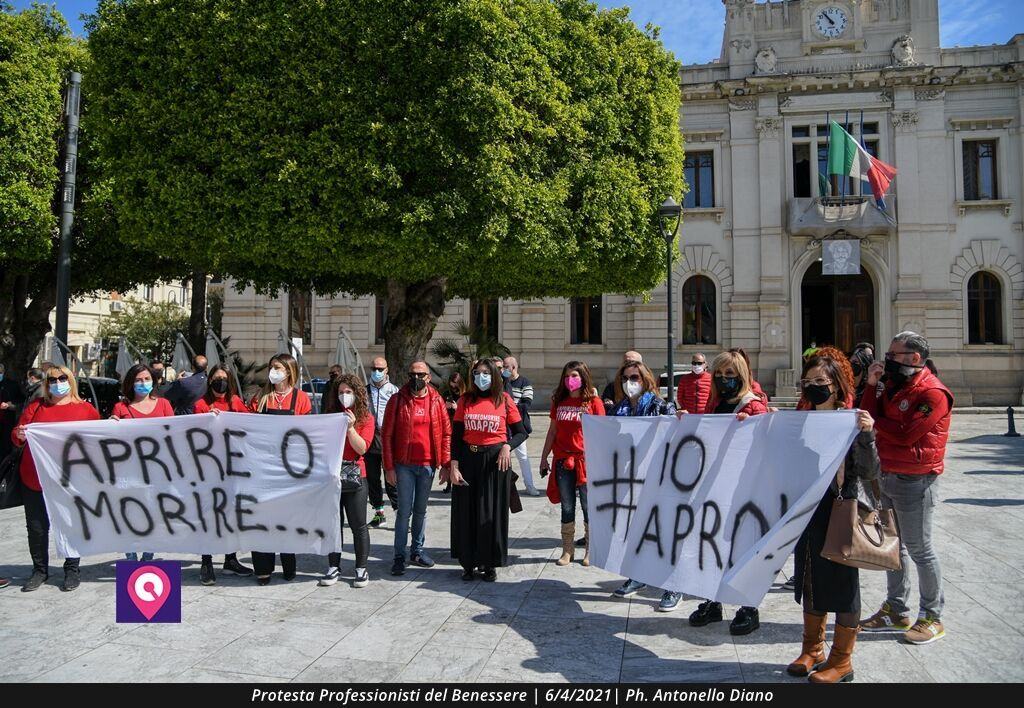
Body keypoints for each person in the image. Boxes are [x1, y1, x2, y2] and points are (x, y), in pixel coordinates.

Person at [788, 349, 879, 683]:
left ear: (837, 385)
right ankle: (812, 649)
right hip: (809, 511)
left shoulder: (852, 420)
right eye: (808, 381)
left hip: (841, 509)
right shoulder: (799, 420)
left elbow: (870, 472)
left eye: (820, 381)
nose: (813, 387)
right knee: (810, 578)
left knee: (843, 583)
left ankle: (842, 660)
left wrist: (866, 435)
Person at [859, 332, 952, 645]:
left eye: (893, 355)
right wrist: (871, 386)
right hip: (888, 474)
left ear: (914, 358)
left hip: (916, 479)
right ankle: (896, 609)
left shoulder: (934, 393)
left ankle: (932, 617)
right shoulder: (895, 385)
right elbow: (867, 415)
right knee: (894, 547)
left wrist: (875, 423)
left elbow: (905, 434)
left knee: (919, 549)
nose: (887, 360)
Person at [684, 350, 768, 635]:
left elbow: (764, 448)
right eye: (719, 374)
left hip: (744, 491)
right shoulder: (715, 404)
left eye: (729, 374)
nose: (723, 379)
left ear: (741, 375)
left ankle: (748, 608)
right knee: (712, 548)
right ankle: (713, 601)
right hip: (715, 488)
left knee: (743, 550)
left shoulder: (754, 407)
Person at [12, 366, 101, 592]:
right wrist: (19, 434)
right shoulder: (36, 406)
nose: (57, 382)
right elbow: (17, 434)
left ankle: (72, 570)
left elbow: (98, 438)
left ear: (70, 380)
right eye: (52, 379)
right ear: (46, 384)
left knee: (71, 524)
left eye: (62, 378)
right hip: (35, 477)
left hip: (71, 480)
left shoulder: (85, 409)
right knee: (37, 527)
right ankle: (39, 570)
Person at [447, 359, 529, 581]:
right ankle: (468, 563)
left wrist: (507, 446)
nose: (480, 376)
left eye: (485, 372)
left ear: (494, 375)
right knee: (467, 512)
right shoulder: (465, 400)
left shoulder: (504, 400)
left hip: (495, 461)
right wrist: (453, 465)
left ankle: (489, 562)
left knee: (491, 513)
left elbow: (521, 432)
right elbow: (456, 436)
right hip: (468, 459)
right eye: (477, 372)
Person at [609, 361, 681, 610]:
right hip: (630, 480)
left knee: (664, 532)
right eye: (625, 378)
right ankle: (638, 575)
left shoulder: (661, 406)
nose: (629, 383)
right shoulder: (618, 409)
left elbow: (675, 438)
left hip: (659, 479)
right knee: (636, 530)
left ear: (646, 379)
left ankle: (673, 585)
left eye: (635, 378)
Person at [382, 360, 451, 576]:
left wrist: (446, 464)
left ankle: (417, 551)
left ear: (428, 377)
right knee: (404, 511)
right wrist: (389, 467)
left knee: (421, 510)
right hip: (404, 465)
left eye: (421, 374)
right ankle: (399, 556)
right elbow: (386, 435)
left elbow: (446, 434)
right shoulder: (397, 400)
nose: (416, 378)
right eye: (412, 374)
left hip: (427, 465)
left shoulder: (436, 401)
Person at [248, 354, 313, 584]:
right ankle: (263, 568)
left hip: (289, 470)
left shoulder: (301, 399)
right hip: (263, 468)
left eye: (277, 367)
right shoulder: (260, 398)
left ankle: (288, 563)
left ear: (289, 371)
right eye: (271, 367)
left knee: (287, 518)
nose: (272, 371)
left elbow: (308, 435)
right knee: (261, 518)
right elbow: (246, 427)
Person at [539, 361, 605, 567]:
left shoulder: (593, 402)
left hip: (586, 461)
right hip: (562, 460)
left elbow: (603, 432)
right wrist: (544, 457)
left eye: (574, 376)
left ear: (583, 377)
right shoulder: (559, 401)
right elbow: (552, 431)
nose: (570, 380)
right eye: (567, 376)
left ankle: (590, 549)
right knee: (567, 505)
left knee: (588, 505)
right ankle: (567, 550)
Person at [192, 364, 254, 583]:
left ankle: (230, 559)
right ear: (210, 380)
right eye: (217, 378)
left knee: (231, 514)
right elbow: (195, 435)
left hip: (232, 467)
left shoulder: (235, 402)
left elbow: (249, 426)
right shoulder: (201, 405)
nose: (221, 382)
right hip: (208, 468)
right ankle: (206, 562)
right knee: (208, 514)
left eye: (224, 378)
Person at [111, 364, 175, 563]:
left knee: (154, 515)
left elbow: (175, 434)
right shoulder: (120, 408)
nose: (143, 383)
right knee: (129, 515)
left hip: (157, 471)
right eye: (138, 380)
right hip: (128, 472)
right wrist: (111, 426)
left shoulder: (164, 405)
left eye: (147, 379)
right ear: (131, 383)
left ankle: (148, 557)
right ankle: (130, 558)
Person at [319, 374, 375, 588]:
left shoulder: (366, 418)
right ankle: (334, 566)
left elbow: (362, 448)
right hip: (332, 475)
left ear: (357, 394)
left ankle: (361, 568)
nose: (344, 395)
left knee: (358, 525)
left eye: (348, 392)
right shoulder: (331, 416)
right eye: (341, 392)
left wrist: (350, 428)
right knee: (334, 525)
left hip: (355, 475)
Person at [366, 356, 399, 528]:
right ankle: (379, 514)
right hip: (370, 440)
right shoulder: (363, 391)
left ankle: (400, 514)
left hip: (389, 441)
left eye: (380, 369)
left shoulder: (394, 391)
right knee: (372, 479)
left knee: (391, 479)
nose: (377, 372)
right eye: (374, 369)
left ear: (387, 370)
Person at [502, 356, 539, 496]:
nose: (503, 369)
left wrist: (509, 408)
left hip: (517, 426)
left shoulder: (524, 382)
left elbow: (526, 403)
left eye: (506, 366)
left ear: (513, 367)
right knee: (502, 457)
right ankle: (503, 486)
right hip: (502, 426)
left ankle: (529, 486)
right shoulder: (501, 381)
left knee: (523, 457)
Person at [441, 371, 465, 493]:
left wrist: (457, 408)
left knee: (460, 456)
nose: (453, 387)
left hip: (462, 427)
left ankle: (460, 480)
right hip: (449, 425)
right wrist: (444, 406)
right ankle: (449, 483)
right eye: (451, 384)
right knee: (450, 455)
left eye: (455, 384)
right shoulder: (447, 394)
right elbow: (439, 409)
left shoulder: (465, 395)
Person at [0, 362, 26, 460]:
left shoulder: (12, 385)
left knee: (5, 446)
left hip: (7, 421)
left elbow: (21, 400)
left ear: (3, 372)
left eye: (0, 372)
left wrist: (9, 405)